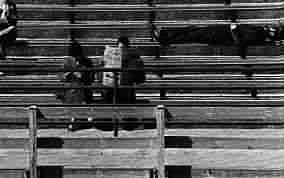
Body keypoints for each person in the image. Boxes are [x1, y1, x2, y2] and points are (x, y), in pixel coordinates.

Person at [152, 23, 282, 58]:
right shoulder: (260, 33)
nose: (270, 26)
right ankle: (164, 34)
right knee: (191, 31)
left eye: (273, 28)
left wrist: (234, 29)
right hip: (220, 32)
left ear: (273, 32)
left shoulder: (259, 34)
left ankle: (164, 37)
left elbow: (240, 43)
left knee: (191, 34)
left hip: (220, 35)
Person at [102, 36, 145, 104]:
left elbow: (140, 80)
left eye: (123, 49)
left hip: (126, 90)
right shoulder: (110, 59)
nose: (121, 52)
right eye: (120, 48)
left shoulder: (134, 60)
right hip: (111, 89)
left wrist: (135, 66)